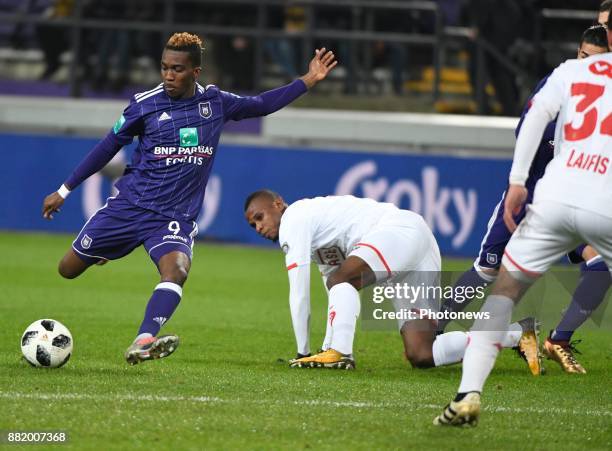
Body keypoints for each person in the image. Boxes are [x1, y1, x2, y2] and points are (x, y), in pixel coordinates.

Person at [41, 32, 337, 365]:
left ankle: (143, 339)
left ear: (195, 71)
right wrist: (65, 189)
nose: (169, 75)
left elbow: (261, 105)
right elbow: (107, 146)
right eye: (165, 68)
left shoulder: (215, 103)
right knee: (67, 269)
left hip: (174, 217)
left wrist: (308, 79)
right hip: (129, 207)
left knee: (177, 270)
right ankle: (106, 250)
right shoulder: (145, 104)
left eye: (177, 69)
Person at [434, 9, 612, 427]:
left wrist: (516, 181)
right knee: (489, 269)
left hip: (553, 195)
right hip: (587, 197)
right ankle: (439, 322)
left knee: (507, 289)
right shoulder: (570, 70)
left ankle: (469, 391)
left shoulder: (570, 73)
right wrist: (520, 182)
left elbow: (533, 119)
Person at [244, 191, 539, 371]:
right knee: (421, 353)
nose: (259, 227)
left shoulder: (294, 218)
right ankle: (517, 334)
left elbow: (300, 291)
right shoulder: (317, 237)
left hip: (398, 231)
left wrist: (303, 352)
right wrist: (324, 344)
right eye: (253, 224)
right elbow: (336, 288)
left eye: (260, 217)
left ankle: (341, 355)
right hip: (417, 244)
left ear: (278, 203)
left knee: (342, 278)